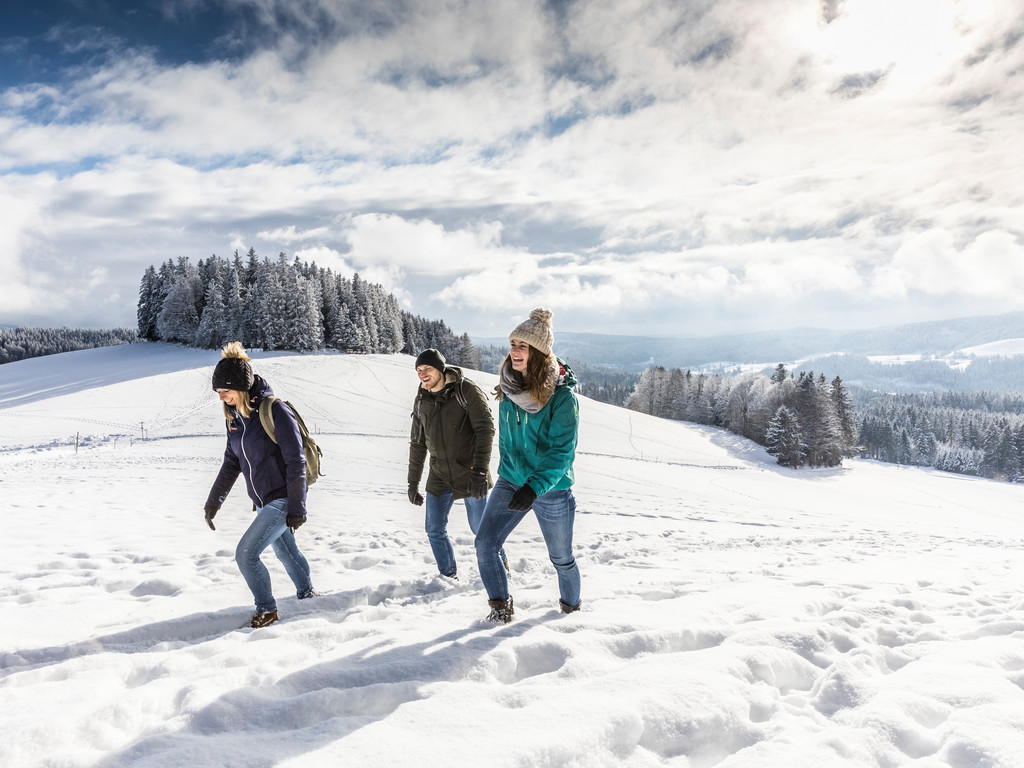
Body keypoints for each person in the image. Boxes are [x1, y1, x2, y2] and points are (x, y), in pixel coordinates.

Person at [475, 308, 581, 623]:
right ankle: (501, 609)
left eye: (522, 346)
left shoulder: (562, 398)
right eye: (512, 344)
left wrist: (534, 486)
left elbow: (562, 451)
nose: (515, 351)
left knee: (561, 559)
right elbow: (506, 440)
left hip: (550, 488)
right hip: (511, 480)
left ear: (538, 352)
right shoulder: (508, 387)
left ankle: (571, 613)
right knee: (485, 543)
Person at [204, 342, 317, 628]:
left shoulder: (275, 410)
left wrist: (297, 507)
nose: (221, 397)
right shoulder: (235, 418)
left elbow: (296, 461)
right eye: (218, 392)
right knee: (286, 551)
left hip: (282, 499)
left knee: (246, 554)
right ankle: (308, 595)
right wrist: (213, 501)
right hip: (263, 501)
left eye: (225, 391)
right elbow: (232, 462)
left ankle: (267, 609)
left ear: (240, 387)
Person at [407, 348, 505, 579]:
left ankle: (501, 567)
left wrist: (480, 470)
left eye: (427, 369)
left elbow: (486, 428)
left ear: (440, 369)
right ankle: (448, 576)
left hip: (470, 472)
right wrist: (413, 483)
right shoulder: (422, 398)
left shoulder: (466, 390)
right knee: (434, 529)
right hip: (439, 474)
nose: (422, 374)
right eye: (419, 370)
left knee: (482, 532)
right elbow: (418, 442)